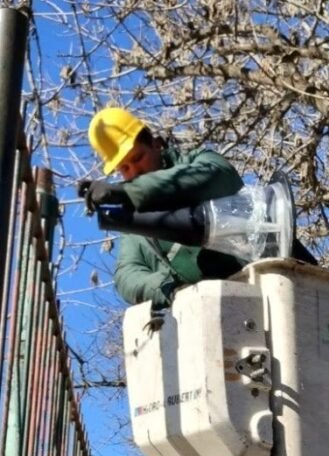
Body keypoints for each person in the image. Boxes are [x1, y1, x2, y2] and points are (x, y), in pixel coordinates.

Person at [81, 107, 314, 309]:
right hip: (222, 314)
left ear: (155, 144)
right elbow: (126, 275)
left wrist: (130, 192)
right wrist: (170, 287)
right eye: (124, 168)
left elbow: (216, 176)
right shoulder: (136, 224)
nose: (134, 171)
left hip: (286, 287)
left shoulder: (201, 164)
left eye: (138, 157)